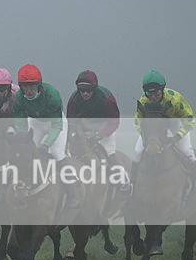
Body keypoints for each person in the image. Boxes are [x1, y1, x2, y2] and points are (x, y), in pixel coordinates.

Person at [10, 64, 81, 209]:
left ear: (39, 85)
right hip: (35, 122)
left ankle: (73, 194)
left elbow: (56, 126)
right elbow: (21, 126)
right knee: (24, 152)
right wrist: (23, 141)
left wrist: (46, 144)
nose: (28, 91)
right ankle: (10, 187)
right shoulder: (19, 98)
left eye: (32, 86)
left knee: (56, 152)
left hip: (55, 123)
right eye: (25, 87)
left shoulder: (52, 95)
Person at [132, 70, 196, 195]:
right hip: (153, 127)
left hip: (175, 123)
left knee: (186, 150)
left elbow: (189, 119)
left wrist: (176, 137)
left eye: (156, 93)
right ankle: (131, 185)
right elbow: (138, 122)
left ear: (162, 89)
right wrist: (146, 137)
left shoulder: (175, 98)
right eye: (149, 93)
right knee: (137, 152)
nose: (152, 97)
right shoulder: (143, 101)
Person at [65, 69, 127, 192]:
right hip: (85, 125)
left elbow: (114, 121)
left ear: (94, 88)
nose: (85, 94)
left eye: (88, 90)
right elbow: (71, 122)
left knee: (109, 154)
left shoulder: (106, 98)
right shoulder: (74, 99)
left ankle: (124, 182)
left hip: (105, 125)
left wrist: (99, 135)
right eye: (82, 90)